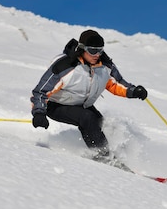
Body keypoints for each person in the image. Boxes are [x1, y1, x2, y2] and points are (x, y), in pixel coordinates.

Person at [30, 30, 147, 158]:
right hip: (55, 105)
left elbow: (116, 84)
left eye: (100, 50)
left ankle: (113, 155)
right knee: (87, 118)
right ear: (82, 48)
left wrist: (133, 91)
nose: (97, 54)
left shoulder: (105, 66)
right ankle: (103, 156)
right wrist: (39, 112)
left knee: (103, 124)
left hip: (81, 105)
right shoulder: (65, 66)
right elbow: (41, 91)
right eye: (92, 51)